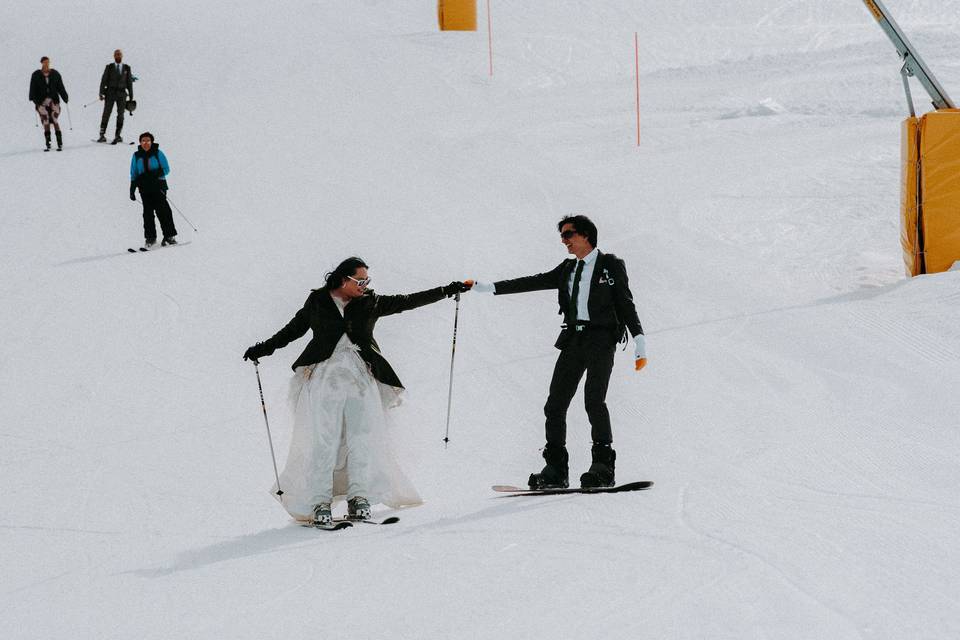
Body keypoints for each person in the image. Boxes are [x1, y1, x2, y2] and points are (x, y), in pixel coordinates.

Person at [243, 258, 471, 526]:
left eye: (367, 281)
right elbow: (293, 330)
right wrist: (263, 348)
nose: (365, 286)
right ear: (342, 280)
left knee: (361, 437)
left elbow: (408, 301)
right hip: (325, 379)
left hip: (360, 378)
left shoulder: (370, 302)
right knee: (324, 440)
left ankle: (359, 496)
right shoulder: (317, 301)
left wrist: (445, 290)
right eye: (360, 281)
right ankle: (319, 501)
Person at [471, 215, 646, 490]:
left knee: (594, 401)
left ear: (586, 235)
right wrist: (491, 287)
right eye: (562, 236)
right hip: (573, 340)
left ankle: (602, 467)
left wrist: (639, 340)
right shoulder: (568, 268)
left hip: (601, 339)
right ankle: (555, 469)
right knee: (554, 405)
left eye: (569, 234)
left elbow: (625, 302)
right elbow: (534, 281)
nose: (564, 241)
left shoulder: (609, 265)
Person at [130, 132, 177, 249]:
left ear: (152, 142)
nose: (145, 143)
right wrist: (132, 188)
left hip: (158, 187)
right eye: (143, 141)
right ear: (140, 142)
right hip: (144, 189)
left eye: (148, 140)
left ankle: (169, 236)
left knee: (163, 211)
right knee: (147, 214)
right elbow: (134, 173)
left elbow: (166, 169)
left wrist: (153, 174)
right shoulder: (136, 156)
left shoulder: (158, 153)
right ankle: (150, 238)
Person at [28, 57, 69, 151]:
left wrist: (65, 97)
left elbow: (60, 87)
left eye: (47, 62)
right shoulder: (36, 75)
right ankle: (48, 143)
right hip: (41, 101)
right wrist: (34, 100)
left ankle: (60, 143)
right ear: (41, 63)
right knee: (45, 120)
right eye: (44, 62)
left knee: (54, 119)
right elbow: (33, 88)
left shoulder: (55, 74)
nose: (46, 64)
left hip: (54, 100)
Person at [98, 49, 133, 144]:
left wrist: (131, 96)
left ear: (122, 56)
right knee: (106, 113)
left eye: (119, 54)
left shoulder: (127, 68)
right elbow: (103, 80)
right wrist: (101, 92)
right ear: (114, 56)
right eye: (116, 54)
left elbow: (129, 82)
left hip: (122, 94)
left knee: (121, 114)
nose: (118, 56)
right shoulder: (109, 67)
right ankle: (102, 134)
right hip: (110, 93)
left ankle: (118, 135)